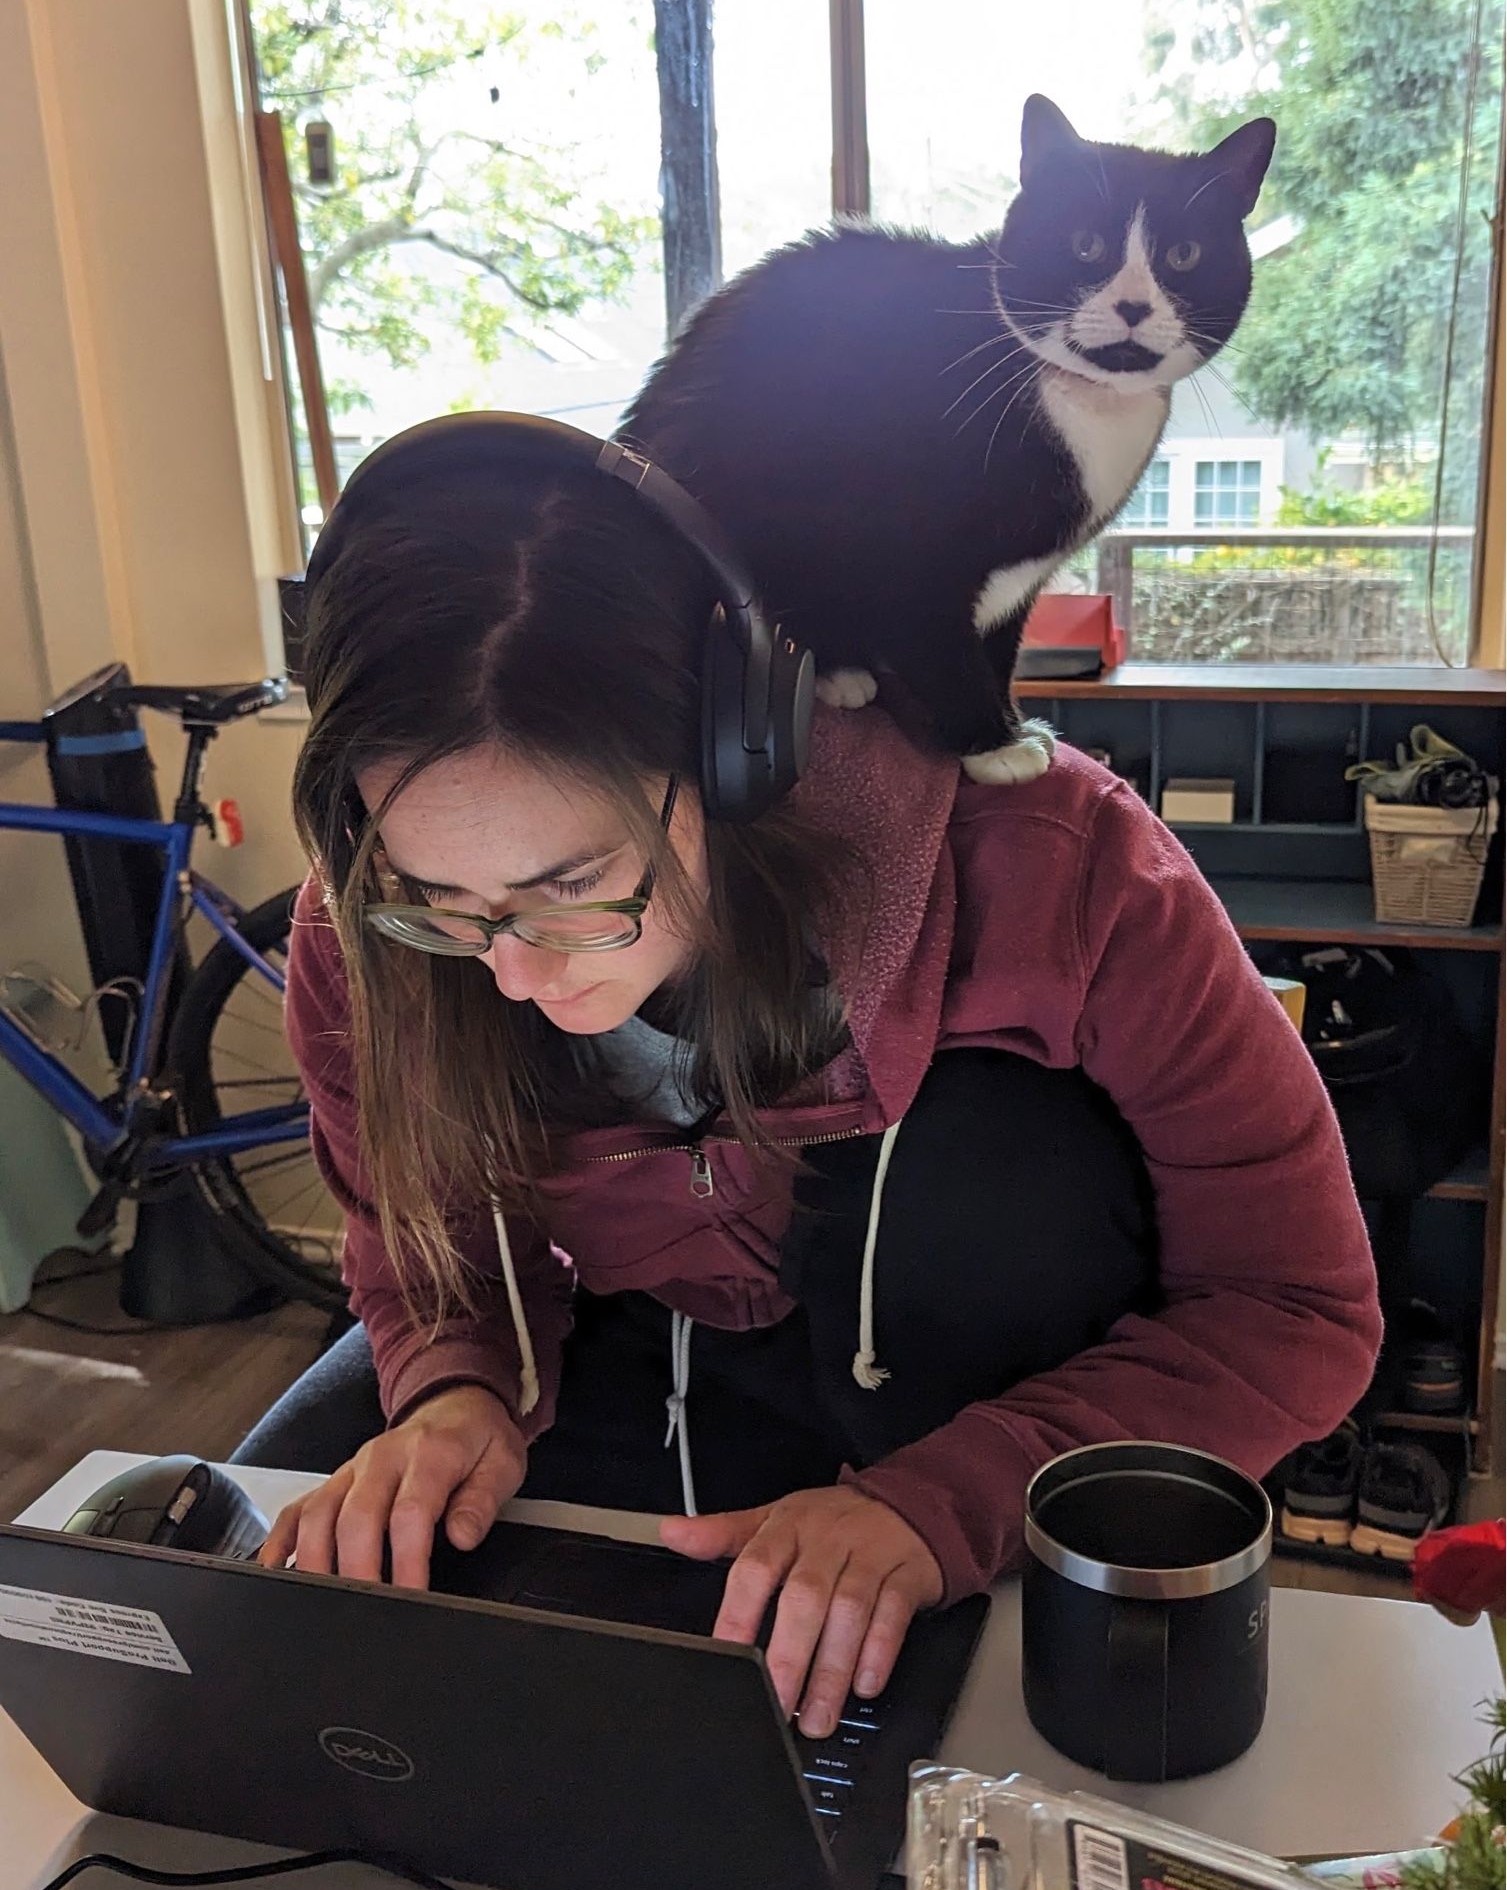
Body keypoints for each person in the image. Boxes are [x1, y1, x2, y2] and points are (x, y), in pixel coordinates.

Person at [238, 415, 1380, 1745]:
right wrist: (454, 1386)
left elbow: (1297, 1308)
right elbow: (416, 1236)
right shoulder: (364, 931)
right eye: (444, 904)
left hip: (1018, 1436)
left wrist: (940, 1503)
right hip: (645, 1415)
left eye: (572, 890)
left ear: (740, 751)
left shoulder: (1063, 868)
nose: (510, 976)